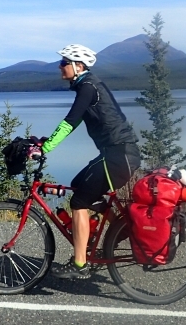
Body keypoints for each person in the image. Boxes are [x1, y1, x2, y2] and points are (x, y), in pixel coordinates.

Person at [35, 44, 141, 279]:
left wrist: (47, 148)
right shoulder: (89, 85)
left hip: (118, 155)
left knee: (79, 202)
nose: (60, 66)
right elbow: (73, 123)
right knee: (78, 183)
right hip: (118, 154)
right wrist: (46, 142)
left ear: (78, 66)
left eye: (64, 62)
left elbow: (70, 121)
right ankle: (118, 230)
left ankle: (80, 264)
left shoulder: (88, 87)